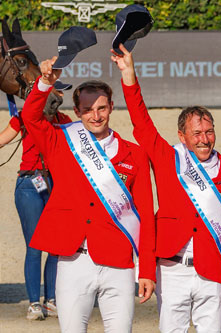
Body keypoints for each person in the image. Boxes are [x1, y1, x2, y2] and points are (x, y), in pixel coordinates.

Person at [111, 43, 221, 332]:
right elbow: (141, 123)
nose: (204, 139)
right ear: (182, 136)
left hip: (214, 269)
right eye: (196, 133)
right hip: (171, 269)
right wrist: (129, 76)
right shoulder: (167, 158)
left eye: (209, 132)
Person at [23, 56, 156, 332]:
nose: (96, 116)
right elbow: (30, 117)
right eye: (87, 110)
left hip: (119, 262)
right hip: (73, 259)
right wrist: (45, 82)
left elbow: (145, 214)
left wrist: (146, 270)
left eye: (102, 108)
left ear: (111, 107)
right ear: (76, 110)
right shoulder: (60, 139)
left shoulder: (135, 154)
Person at [0, 82, 72, 320]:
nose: (57, 95)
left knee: (55, 247)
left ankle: (51, 300)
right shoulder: (23, 118)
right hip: (30, 184)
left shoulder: (64, 119)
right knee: (34, 246)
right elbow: (1, 141)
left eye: (60, 91)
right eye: (54, 90)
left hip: (56, 185)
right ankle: (33, 303)